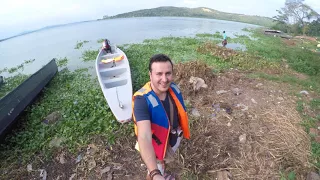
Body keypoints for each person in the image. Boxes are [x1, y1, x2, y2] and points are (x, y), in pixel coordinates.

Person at [132, 54, 190, 180]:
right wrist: (155, 173)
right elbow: (144, 136)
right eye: (159, 74)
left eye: (168, 73)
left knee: (163, 164)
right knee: (155, 171)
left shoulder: (173, 89)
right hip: (154, 146)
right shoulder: (142, 100)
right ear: (150, 74)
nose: (164, 79)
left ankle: (162, 169)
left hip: (171, 139)